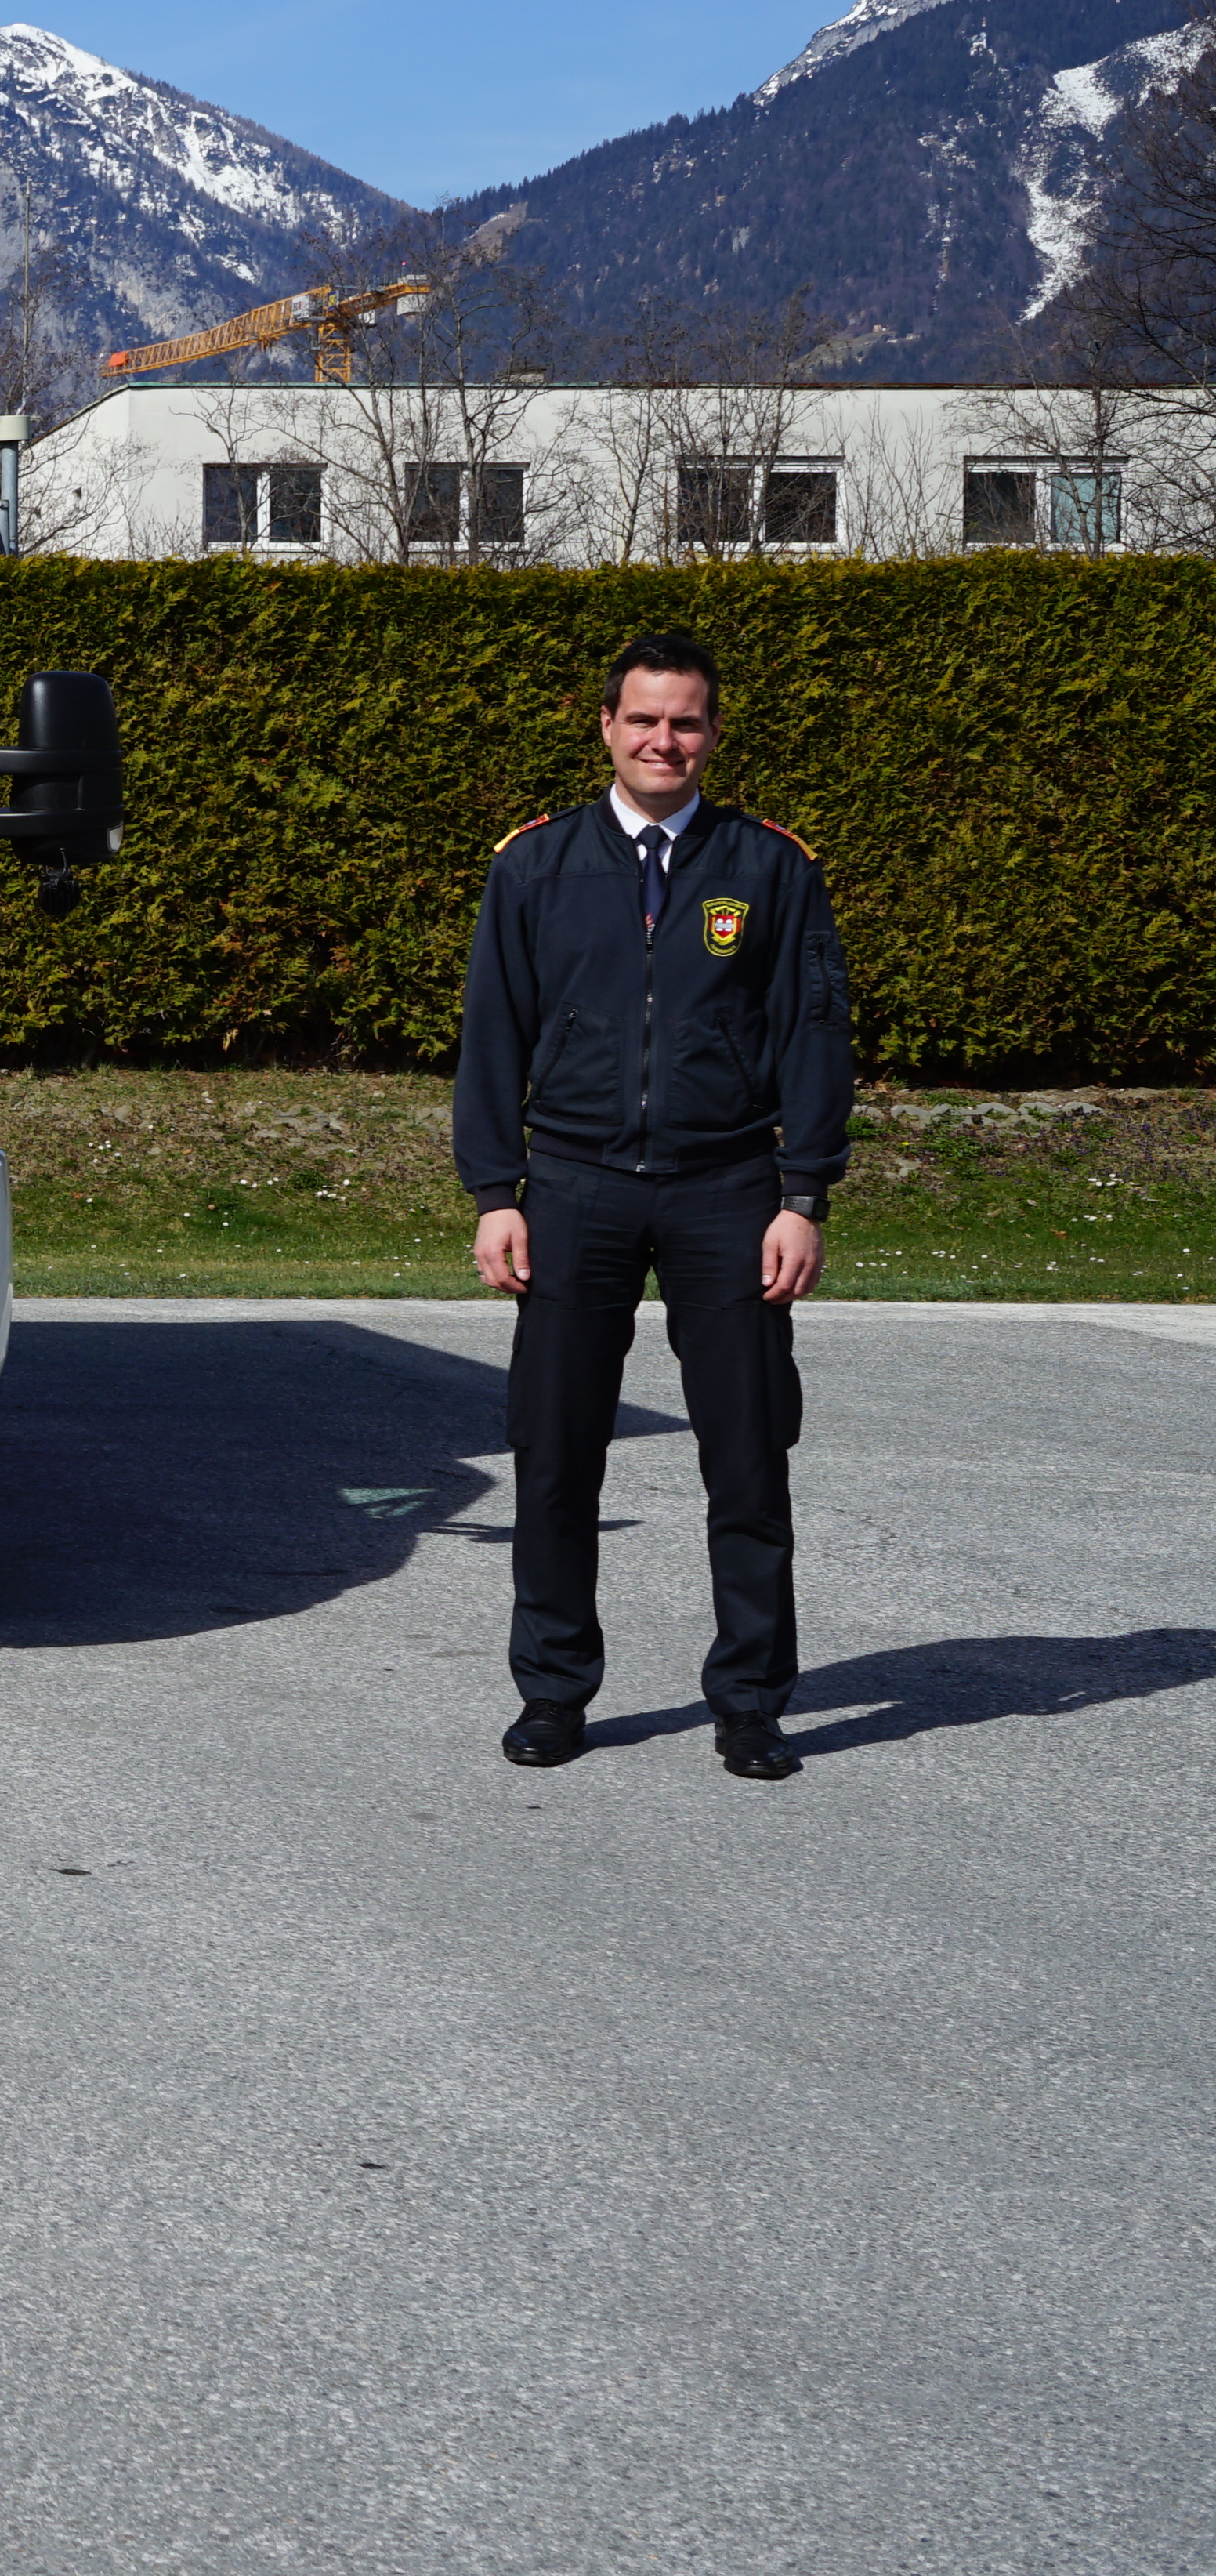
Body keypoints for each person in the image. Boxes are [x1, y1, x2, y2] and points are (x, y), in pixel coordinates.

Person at [454, 631, 851, 1782]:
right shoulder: (534, 867)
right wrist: (496, 1194)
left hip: (730, 1191)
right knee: (556, 1454)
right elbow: (492, 1039)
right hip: (572, 1189)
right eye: (643, 720)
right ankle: (555, 1692)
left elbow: (815, 1039)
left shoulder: (772, 869)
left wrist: (804, 1193)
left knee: (747, 1453)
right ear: (607, 728)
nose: (663, 741)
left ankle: (749, 1700)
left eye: (685, 723)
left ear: (713, 735)